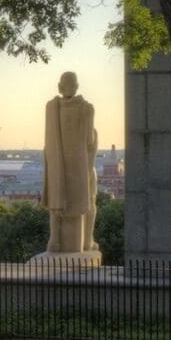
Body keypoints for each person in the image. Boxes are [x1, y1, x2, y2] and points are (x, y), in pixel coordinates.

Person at [42, 71, 98, 253]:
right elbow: (90, 140)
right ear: (76, 86)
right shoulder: (86, 108)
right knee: (85, 201)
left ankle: (57, 240)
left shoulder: (52, 107)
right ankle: (85, 241)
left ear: (60, 86)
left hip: (60, 163)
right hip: (77, 165)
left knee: (57, 200)